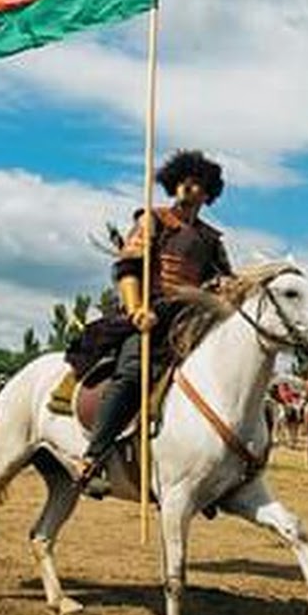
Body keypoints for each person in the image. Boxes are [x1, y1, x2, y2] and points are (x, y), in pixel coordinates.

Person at [77, 149, 233, 486]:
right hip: (150, 315)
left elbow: (227, 284)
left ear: (207, 194)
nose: (189, 189)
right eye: (184, 182)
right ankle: (93, 457)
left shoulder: (211, 239)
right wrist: (136, 311)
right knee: (133, 371)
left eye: (197, 185)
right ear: (174, 185)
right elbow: (127, 268)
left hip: (192, 323)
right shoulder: (153, 220)